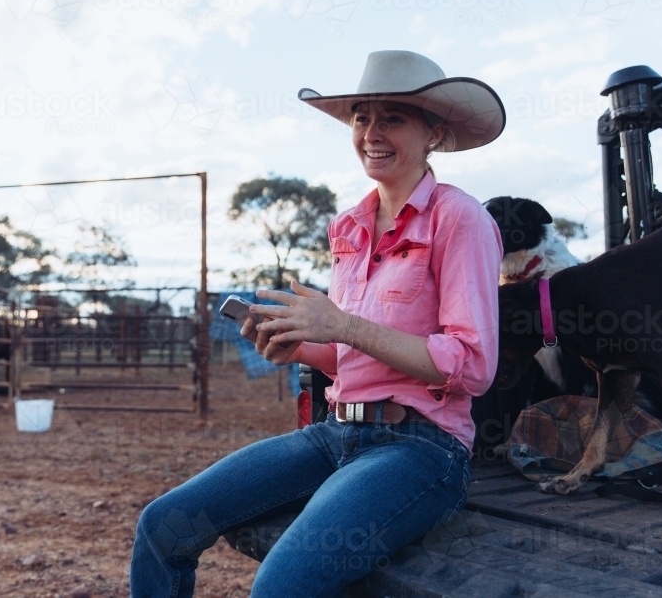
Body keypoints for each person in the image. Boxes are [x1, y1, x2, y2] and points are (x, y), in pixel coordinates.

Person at [130, 50, 505, 597]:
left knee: (282, 584)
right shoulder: (350, 227)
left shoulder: (460, 218)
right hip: (335, 432)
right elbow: (348, 356)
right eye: (361, 117)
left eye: (393, 117)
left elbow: (472, 367)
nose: (371, 132)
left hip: (420, 448)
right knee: (162, 527)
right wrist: (296, 347)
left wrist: (344, 325)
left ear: (433, 134)